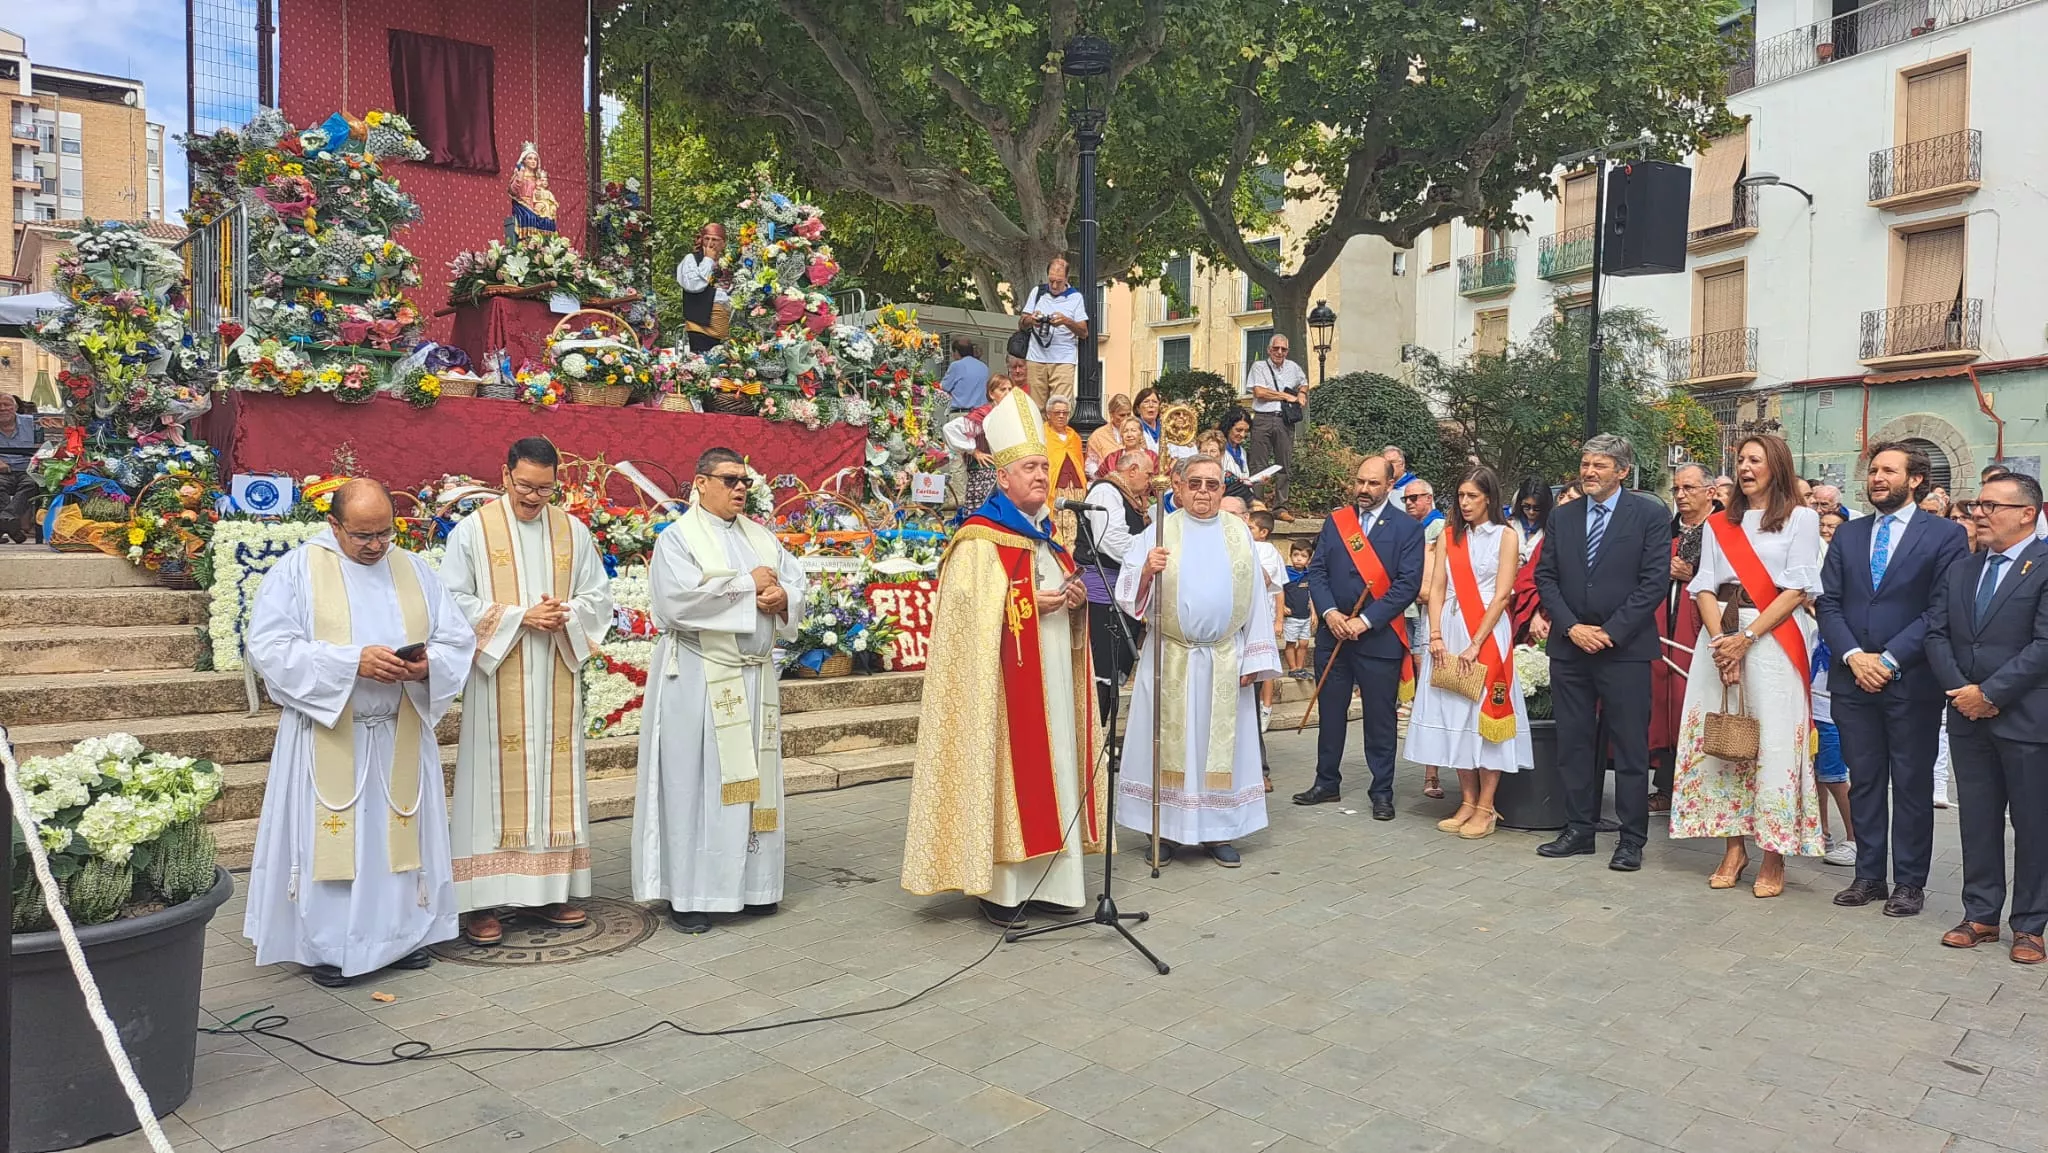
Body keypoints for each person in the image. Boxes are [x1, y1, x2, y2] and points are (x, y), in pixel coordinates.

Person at [243, 479, 474, 987]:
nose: (374, 546)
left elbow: (456, 638)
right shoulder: (299, 570)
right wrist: (353, 664)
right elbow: (271, 647)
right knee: (336, 844)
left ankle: (404, 936)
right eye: (362, 536)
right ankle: (330, 946)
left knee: (397, 841)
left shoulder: (413, 569)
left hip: (398, 730)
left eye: (384, 534)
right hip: (331, 733)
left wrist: (426, 667)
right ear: (334, 525)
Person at [903, 389, 1106, 927]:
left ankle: (1051, 886)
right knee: (1011, 779)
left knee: (1057, 766)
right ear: (1003, 477)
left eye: (1045, 466)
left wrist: (1075, 599)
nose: (1042, 476)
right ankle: (1001, 890)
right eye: (1031, 467)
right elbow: (962, 621)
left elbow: (1061, 596)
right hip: (1001, 693)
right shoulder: (978, 539)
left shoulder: (1051, 539)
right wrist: (1025, 600)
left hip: (1054, 684)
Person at [439, 439, 616, 946]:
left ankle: (550, 890)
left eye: (545, 488)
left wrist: (566, 613)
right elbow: (452, 600)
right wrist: (519, 617)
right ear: (504, 475)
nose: (534, 497)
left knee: (553, 779)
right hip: (498, 678)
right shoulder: (474, 531)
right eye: (525, 486)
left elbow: (597, 596)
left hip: (556, 668)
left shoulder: (572, 530)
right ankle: (481, 901)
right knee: (489, 785)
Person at [632, 448, 810, 933]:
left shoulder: (761, 538)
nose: (740, 489)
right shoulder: (677, 540)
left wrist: (782, 598)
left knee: (750, 785)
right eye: (730, 479)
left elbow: (798, 584)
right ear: (701, 482)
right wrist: (748, 587)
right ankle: (690, 895)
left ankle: (753, 887)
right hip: (698, 679)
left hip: (754, 678)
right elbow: (676, 605)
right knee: (697, 784)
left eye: (746, 482)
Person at [1671, 434, 1827, 896]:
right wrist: (1721, 640)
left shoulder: (1801, 518)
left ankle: (1774, 855)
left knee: (1772, 742)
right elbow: (1702, 584)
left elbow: (1798, 588)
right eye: (1740, 460)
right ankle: (1733, 847)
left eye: (1755, 460)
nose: (1745, 467)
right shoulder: (1721, 523)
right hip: (1719, 634)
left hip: (1772, 639)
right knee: (1722, 737)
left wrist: (1746, 639)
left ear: (1776, 466)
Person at [1818, 441, 1968, 917]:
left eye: (1888, 470)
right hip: (1851, 679)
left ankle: (1909, 882)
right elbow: (1828, 602)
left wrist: (1889, 660)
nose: (1877, 478)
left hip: (1911, 682)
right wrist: (1855, 655)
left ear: (1915, 479)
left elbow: (1939, 608)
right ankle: (1868, 876)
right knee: (1863, 779)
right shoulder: (1849, 534)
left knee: (1910, 783)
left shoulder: (1944, 536)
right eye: (1873, 471)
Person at [1117, 460, 1279, 866]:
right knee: (1171, 749)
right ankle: (1166, 830)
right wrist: (1145, 573)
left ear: (1222, 489)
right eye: (1195, 484)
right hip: (1171, 655)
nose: (1203, 492)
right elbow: (1126, 593)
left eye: (1212, 484)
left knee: (1218, 751)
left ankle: (1218, 831)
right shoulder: (1159, 529)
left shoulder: (1237, 531)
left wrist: (1255, 657)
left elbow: (1258, 597)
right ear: (1178, 486)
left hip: (1225, 657)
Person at [1533, 434, 1670, 871]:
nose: (1589, 472)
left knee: (1629, 746)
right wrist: (1572, 627)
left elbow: (1653, 582)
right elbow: (1546, 576)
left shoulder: (1649, 514)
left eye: (1600, 465)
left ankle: (1631, 839)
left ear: (1623, 471)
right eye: (1585, 463)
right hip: (1571, 647)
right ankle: (1578, 828)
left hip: (1623, 648)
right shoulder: (1565, 516)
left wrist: (1609, 632)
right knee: (1574, 741)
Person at [1926, 472, 2048, 963]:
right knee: (1977, 820)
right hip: (1966, 715)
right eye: (1978, 504)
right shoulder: (1962, 569)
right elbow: (1937, 633)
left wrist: (1991, 693)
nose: (1979, 513)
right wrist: (1962, 691)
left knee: (2034, 824)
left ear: (2027, 513)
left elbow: (2044, 644)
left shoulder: (2043, 566)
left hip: (2026, 719)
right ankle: (1980, 915)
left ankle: (2030, 925)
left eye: (1992, 505)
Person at [1296, 455, 1425, 819]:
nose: (1364, 490)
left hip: (1377, 638)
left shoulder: (1407, 529)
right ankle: (1326, 782)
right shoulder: (1338, 521)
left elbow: (1406, 586)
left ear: (1389, 486)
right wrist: (1330, 613)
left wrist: (1365, 621)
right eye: (1360, 482)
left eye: (1372, 483)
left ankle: (1382, 790)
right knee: (1331, 711)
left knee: (1379, 718)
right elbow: (1317, 571)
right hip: (1334, 633)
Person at [1408, 467, 1533, 838]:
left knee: (1485, 717)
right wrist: (1434, 635)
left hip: (1487, 632)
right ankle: (1466, 799)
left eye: (1472, 496)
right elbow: (1436, 587)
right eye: (1460, 496)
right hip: (1448, 626)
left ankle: (1486, 806)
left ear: (1489, 499)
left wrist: (1477, 640)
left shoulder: (1506, 536)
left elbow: (1502, 594)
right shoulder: (1449, 536)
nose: (1464, 503)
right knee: (1455, 714)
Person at [1650, 464, 1718, 815]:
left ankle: (1701, 790)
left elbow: (1734, 583)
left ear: (1710, 492)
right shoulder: (1665, 530)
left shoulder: (1725, 530)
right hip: (1665, 624)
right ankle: (1665, 787)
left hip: (1702, 629)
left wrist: (1691, 575)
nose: (1680, 495)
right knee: (1664, 705)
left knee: (1696, 706)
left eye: (1689, 488)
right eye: (1676, 489)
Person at [1079, 448, 1153, 722]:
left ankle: (1104, 736)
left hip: (1122, 587)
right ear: (1131, 470)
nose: (1149, 481)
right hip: (1103, 592)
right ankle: (1096, 739)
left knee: (1117, 666)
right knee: (1103, 668)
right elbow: (1111, 541)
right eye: (1147, 474)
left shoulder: (1131, 497)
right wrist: (1146, 554)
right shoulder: (1106, 493)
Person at [1401, 477, 1447, 798]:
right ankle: (1430, 771)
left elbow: (1434, 580)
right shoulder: (1406, 528)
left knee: (1433, 681)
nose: (1409, 503)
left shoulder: (1441, 528)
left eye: (1415, 498)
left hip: (1436, 617)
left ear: (1429, 498)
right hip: (1408, 610)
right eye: (1405, 499)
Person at [1242, 335, 1308, 517]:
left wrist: (1302, 394)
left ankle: (1280, 507)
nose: (1280, 352)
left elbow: (1304, 383)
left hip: (1284, 420)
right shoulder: (1259, 367)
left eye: (1283, 349)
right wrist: (1287, 396)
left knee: (1284, 464)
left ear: (1287, 351)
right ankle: (1257, 504)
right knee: (1258, 464)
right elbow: (1259, 392)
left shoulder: (1293, 368)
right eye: (1276, 348)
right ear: (1269, 350)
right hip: (1263, 417)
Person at [1016, 257, 1089, 404]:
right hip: (1036, 358)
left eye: (1059, 282)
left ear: (1067, 278)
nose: (1054, 285)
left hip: (1063, 360)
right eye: (1051, 281)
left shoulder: (1076, 298)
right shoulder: (1037, 292)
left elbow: (1084, 332)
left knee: (1060, 406)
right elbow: (1022, 323)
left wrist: (1065, 321)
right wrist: (1032, 320)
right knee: (1036, 407)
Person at [942, 370, 1016, 514]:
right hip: (985, 473)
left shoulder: (1012, 414)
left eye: (1010, 389)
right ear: (991, 393)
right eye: (1003, 389)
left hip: (1006, 472)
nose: (1008, 393)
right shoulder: (983, 414)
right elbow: (949, 429)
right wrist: (974, 451)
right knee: (983, 514)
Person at [676, 223, 731, 353]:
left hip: (724, 324)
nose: (710, 243)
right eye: (707, 238)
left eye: (715, 239)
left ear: (723, 243)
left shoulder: (728, 261)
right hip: (700, 326)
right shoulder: (691, 259)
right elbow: (694, 285)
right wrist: (708, 260)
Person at [1044, 395, 1089, 549]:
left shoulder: (1074, 437)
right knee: (1056, 526)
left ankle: (1072, 560)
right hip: (1054, 489)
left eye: (1065, 412)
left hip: (1075, 490)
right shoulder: (1043, 435)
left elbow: (1080, 463)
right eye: (1057, 413)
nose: (1062, 416)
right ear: (1049, 414)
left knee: (1075, 527)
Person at [0, 392, 37, 543]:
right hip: (3, 471)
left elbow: (50, 447)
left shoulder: (33, 423)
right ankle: (9, 524)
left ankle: (5, 521)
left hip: (28, 469)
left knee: (32, 483)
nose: (2, 409)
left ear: (15, 407)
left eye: (6, 405)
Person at [1282, 540, 1315, 680]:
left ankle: (1301, 668)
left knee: (1304, 643)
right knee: (1291, 642)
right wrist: (1282, 607)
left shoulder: (1309, 575)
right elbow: (1279, 592)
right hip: (1291, 616)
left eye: (1303, 556)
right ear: (1290, 556)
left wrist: (1314, 613)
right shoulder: (1286, 573)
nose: (1299, 558)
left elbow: (1311, 594)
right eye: (1295, 555)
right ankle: (1293, 668)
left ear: (1309, 559)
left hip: (1305, 616)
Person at [1086, 393, 1135, 476]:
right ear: (1111, 414)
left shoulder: (1137, 433)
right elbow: (1090, 463)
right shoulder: (1098, 435)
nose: (1126, 418)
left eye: (1129, 414)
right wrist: (1102, 477)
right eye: (1122, 415)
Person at [939, 337, 990, 413]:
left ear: (956, 351)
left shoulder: (956, 365)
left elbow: (945, 387)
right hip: (979, 414)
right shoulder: (984, 367)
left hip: (961, 413)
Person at [1219, 407, 1257, 489]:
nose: (1243, 435)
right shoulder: (1218, 450)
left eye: (1246, 431)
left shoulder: (1242, 452)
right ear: (1228, 428)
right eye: (1239, 430)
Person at [1133, 388, 1165, 455]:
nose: (1151, 405)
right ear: (1138, 408)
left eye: (1154, 402)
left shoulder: (1165, 427)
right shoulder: (1134, 428)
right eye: (1146, 402)